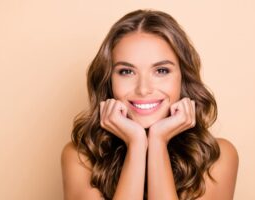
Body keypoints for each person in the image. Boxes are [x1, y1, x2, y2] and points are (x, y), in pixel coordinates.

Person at [61, 9, 239, 200]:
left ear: (183, 78)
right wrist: (136, 144)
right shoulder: (80, 157)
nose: (143, 89)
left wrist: (158, 142)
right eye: (127, 72)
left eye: (161, 70)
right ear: (108, 80)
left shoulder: (218, 157)